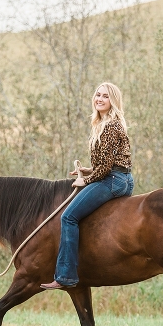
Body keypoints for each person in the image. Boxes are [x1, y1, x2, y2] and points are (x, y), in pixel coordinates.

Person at [41, 82, 134, 290]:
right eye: (97, 95)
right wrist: (88, 170)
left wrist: (87, 180)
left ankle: (65, 276)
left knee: (68, 216)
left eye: (105, 96)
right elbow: (107, 164)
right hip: (120, 177)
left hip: (114, 180)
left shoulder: (110, 126)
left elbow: (108, 167)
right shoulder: (104, 123)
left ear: (113, 101)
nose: (99, 99)